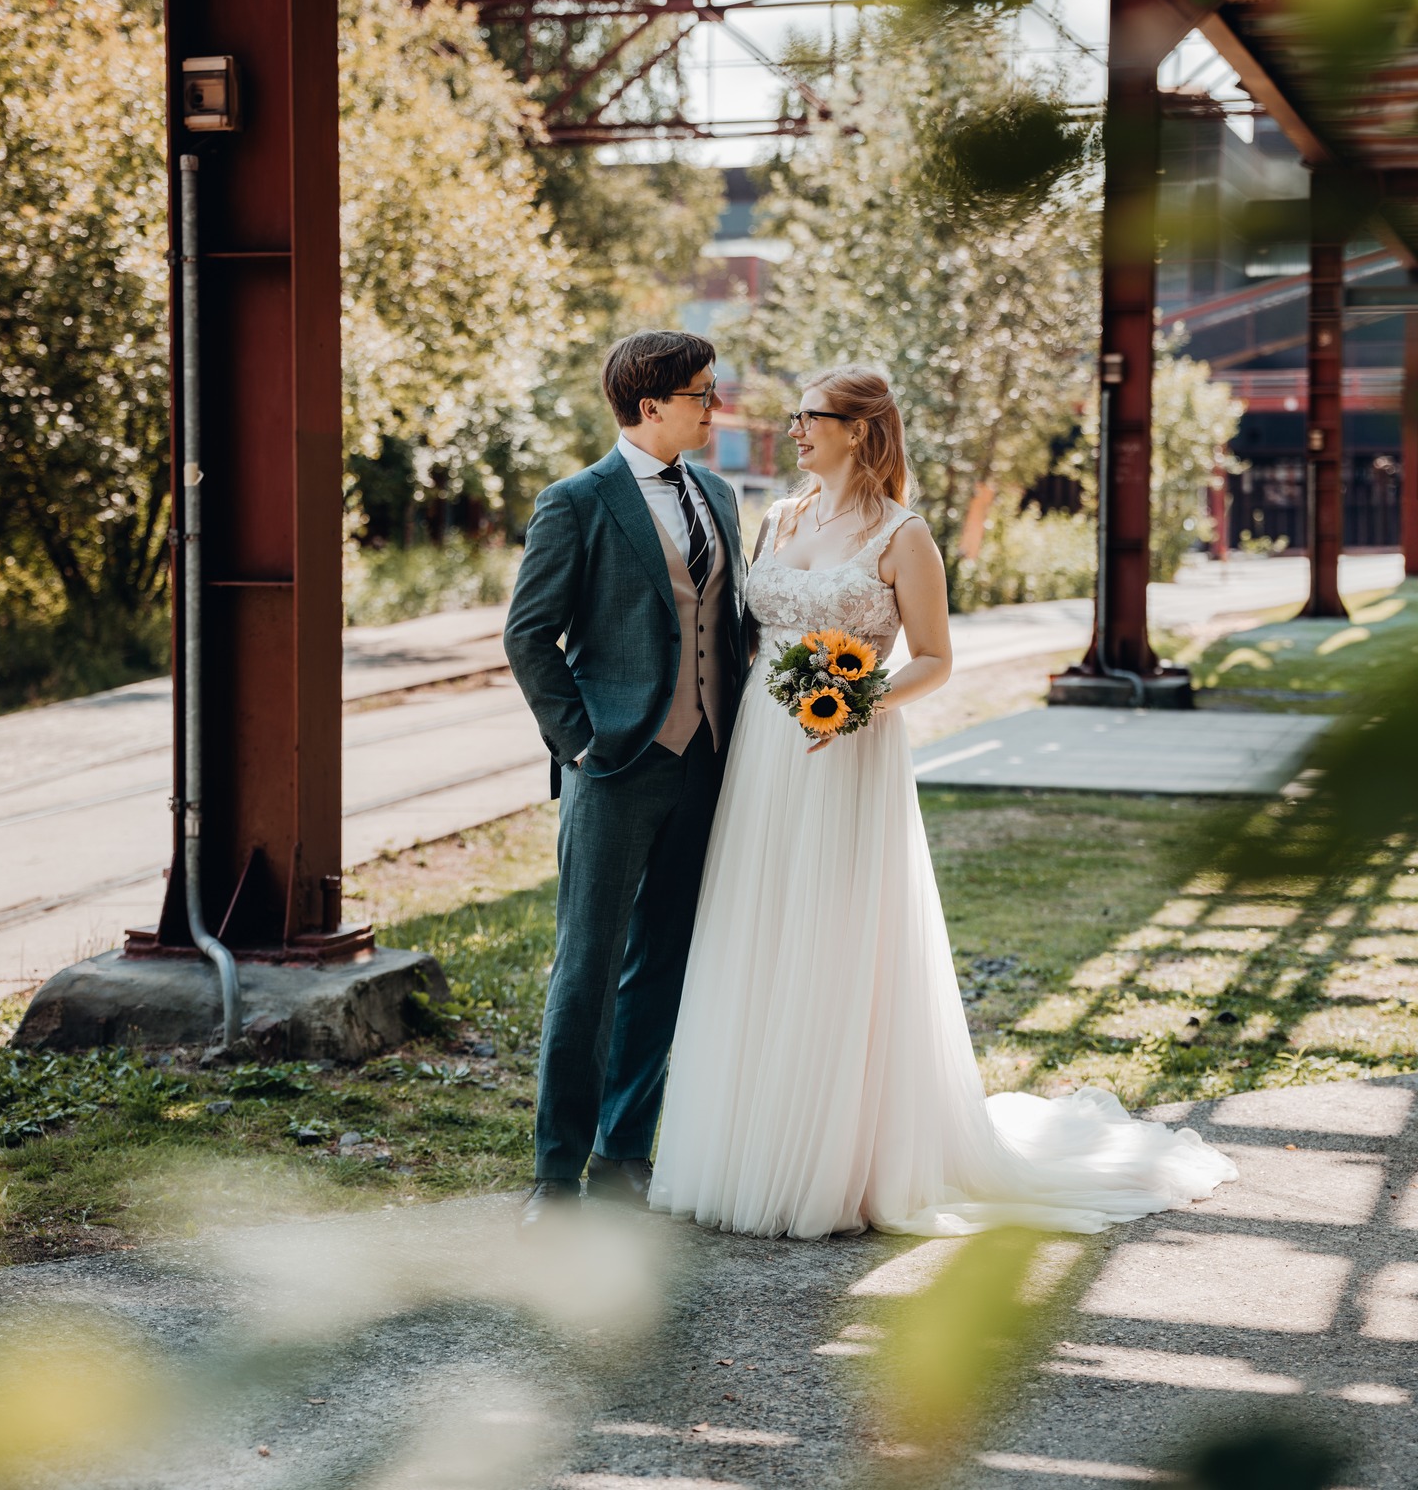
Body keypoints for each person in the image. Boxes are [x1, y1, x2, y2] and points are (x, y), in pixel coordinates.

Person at [650, 365, 1236, 1238]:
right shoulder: (777, 517)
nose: (796, 430)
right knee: (759, 927)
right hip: (764, 758)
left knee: (838, 936)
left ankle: (839, 1162)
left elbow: (933, 658)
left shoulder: (903, 535)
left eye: (810, 418)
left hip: (850, 755)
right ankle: (744, 1141)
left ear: (857, 429)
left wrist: (858, 703)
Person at [504, 330, 746, 1232]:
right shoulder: (577, 503)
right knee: (587, 968)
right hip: (614, 769)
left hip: (708, 765)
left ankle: (621, 1157)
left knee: (664, 964)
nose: (712, 407)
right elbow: (530, 636)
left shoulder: (718, 495)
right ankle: (554, 1175)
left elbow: (729, 629)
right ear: (652, 407)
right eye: (701, 393)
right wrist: (578, 745)